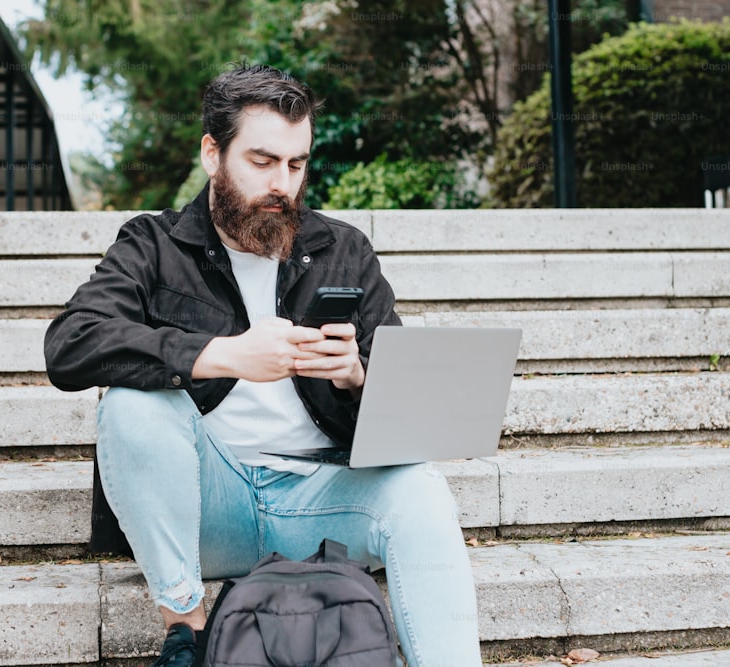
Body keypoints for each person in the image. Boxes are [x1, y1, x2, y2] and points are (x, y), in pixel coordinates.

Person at [44, 63, 483, 667]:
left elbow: (404, 407)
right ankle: (186, 629)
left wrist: (357, 375)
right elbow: (71, 344)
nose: (283, 183)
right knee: (131, 403)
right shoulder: (153, 244)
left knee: (421, 489)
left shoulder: (344, 250)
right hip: (203, 508)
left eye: (296, 165)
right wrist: (223, 355)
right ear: (212, 154)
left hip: (321, 499)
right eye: (262, 161)